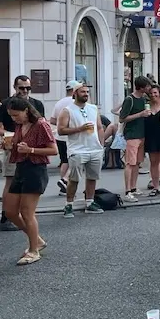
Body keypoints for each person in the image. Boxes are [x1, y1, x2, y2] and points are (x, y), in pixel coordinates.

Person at [2, 98, 57, 265]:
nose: (14, 119)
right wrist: (9, 145)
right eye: (11, 116)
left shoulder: (41, 124)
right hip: (21, 168)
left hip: (35, 169)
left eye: (16, 115)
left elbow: (53, 150)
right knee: (10, 212)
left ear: (26, 110)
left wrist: (30, 150)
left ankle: (34, 251)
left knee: (27, 212)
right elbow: (20, 145)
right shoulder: (20, 125)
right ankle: (37, 240)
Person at [58, 84, 105, 218]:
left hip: (94, 148)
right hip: (77, 149)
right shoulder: (67, 110)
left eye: (87, 91)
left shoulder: (93, 108)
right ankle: (69, 204)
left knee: (92, 177)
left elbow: (100, 127)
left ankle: (90, 202)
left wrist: (101, 144)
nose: (85, 94)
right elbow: (61, 130)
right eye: (82, 91)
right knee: (74, 179)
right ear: (75, 93)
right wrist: (79, 129)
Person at [119, 76, 151, 202]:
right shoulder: (129, 99)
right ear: (142, 87)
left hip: (141, 134)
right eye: (147, 86)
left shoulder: (143, 99)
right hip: (131, 134)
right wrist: (140, 114)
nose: (149, 88)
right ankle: (127, 191)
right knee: (130, 163)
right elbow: (122, 118)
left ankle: (133, 187)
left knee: (137, 163)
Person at [50, 82, 80, 195]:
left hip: (59, 136)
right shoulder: (76, 102)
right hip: (72, 136)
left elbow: (52, 120)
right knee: (76, 161)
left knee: (64, 161)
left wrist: (60, 122)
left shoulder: (59, 103)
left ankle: (63, 186)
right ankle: (65, 181)